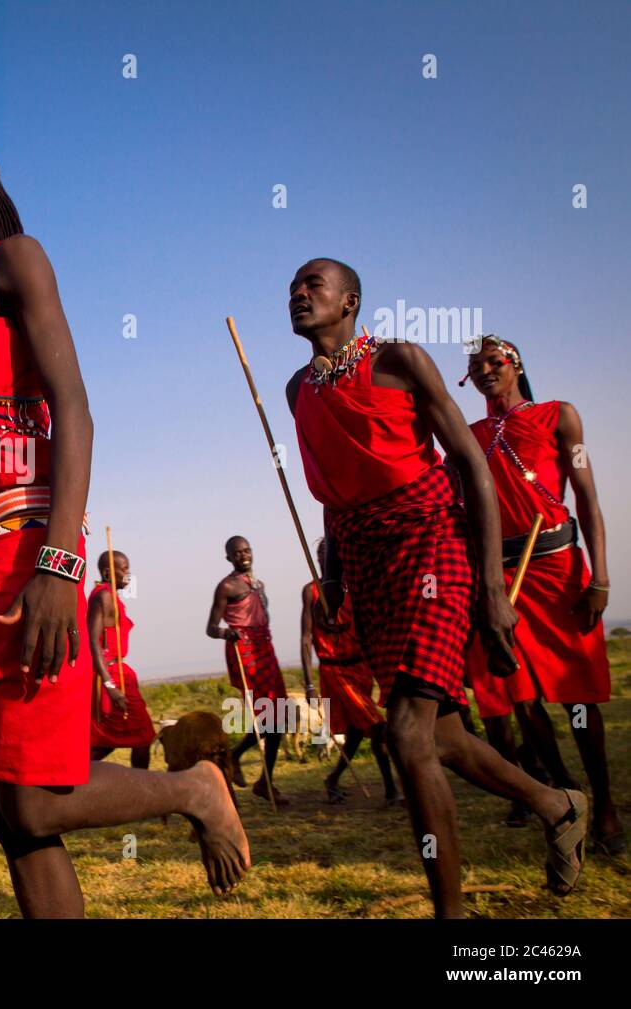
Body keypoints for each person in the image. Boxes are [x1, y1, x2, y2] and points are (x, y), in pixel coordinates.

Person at [0, 121, 248, 917]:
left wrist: (59, 564)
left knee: (39, 800)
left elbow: (74, 413)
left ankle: (194, 787)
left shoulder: (14, 260)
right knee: (9, 813)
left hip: (24, 560)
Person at [287, 257, 586, 916]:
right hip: (366, 563)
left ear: (350, 301)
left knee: (408, 735)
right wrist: (333, 572)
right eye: (292, 288)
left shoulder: (400, 359)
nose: (299, 294)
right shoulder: (296, 390)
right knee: (442, 736)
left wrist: (492, 588)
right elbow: (334, 495)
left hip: (430, 541)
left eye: (314, 284)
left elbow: (471, 464)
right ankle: (557, 804)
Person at [462, 336, 622, 854]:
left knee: (576, 696)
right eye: (475, 365)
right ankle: (564, 795)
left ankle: (606, 805)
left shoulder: (560, 417)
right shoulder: (468, 436)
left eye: (495, 362)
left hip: (557, 570)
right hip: (500, 579)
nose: (486, 370)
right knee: (521, 698)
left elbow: (588, 499)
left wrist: (599, 577)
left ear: (516, 367)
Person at [300, 540, 400, 806]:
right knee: (378, 726)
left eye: (330, 553)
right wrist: (309, 683)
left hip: (361, 666)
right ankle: (392, 790)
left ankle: (332, 779)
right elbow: (306, 637)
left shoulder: (356, 586)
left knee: (357, 731)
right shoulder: (311, 591)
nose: (326, 557)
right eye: (321, 554)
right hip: (336, 670)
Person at [206, 536, 289, 805]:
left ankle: (262, 779)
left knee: (281, 718)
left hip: (266, 647)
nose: (243, 555)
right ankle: (237, 759)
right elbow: (211, 628)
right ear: (228, 557)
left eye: (247, 550)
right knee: (268, 717)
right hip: (244, 651)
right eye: (237, 552)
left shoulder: (259, 585)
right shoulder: (226, 586)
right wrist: (227, 633)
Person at [88, 550, 155, 768]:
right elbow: (93, 642)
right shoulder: (103, 596)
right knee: (143, 734)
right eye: (124, 569)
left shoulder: (110, 596)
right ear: (108, 572)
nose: (128, 574)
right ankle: (142, 791)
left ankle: (73, 783)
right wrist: (110, 686)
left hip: (117, 672)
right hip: (110, 675)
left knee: (108, 740)